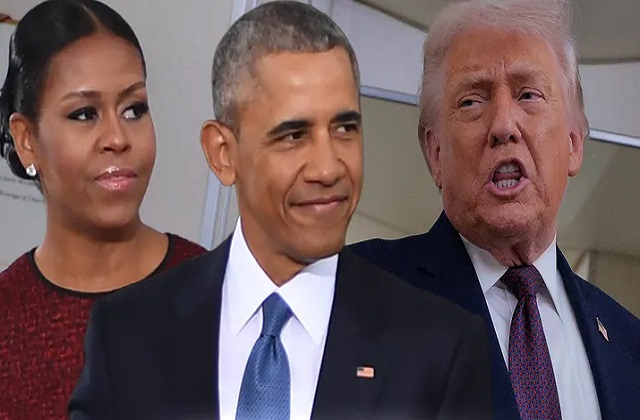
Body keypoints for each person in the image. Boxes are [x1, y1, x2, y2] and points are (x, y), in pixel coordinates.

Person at [68, 2, 494, 419]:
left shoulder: (442, 351)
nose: (328, 169)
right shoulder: (127, 334)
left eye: (345, 128)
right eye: (293, 135)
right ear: (223, 153)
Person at [351, 0, 640, 419]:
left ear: (574, 143)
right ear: (435, 153)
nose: (503, 125)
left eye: (528, 95)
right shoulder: (352, 295)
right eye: (472, 102)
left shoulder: (631, 348)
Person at [0, 1, 206, 418]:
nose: (117, 137)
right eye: (84, 114)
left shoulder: (215, 294)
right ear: (26, 140)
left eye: (134, 109)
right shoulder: (7, 319)